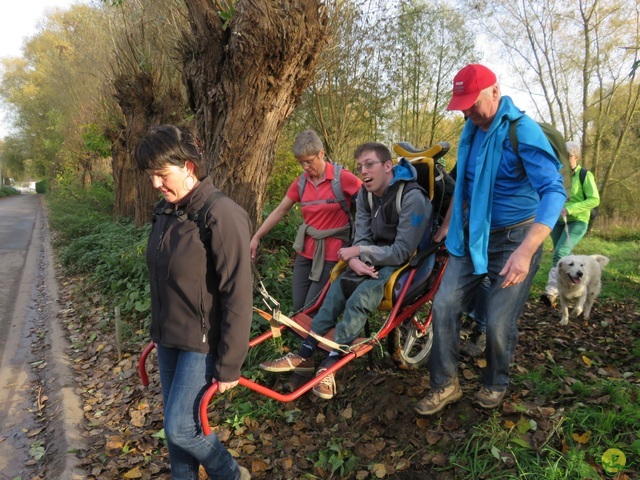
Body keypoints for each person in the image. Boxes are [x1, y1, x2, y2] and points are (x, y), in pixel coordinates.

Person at [414, 64, 566, 415]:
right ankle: (445, 384)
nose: (466, 111)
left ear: (495, 92)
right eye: (461, 104)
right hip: (472, 235)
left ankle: (496, 381)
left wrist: (527, 251)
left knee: (498, 321)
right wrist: (447, 227)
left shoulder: (523, 132)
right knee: (444, 306)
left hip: (516, 239)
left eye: (472, 102)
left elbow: (554, 192)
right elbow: (464, 188)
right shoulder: (472, 129)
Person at [259, 142, 430, 400]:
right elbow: (361, 235)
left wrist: (360, 253)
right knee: (337, 288)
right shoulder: (365, 195)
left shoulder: (412, 198)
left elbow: (401, 251)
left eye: (369, 164)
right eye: (359, 166)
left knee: (361, 297)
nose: (363, 171)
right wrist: (354, 260)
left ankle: (331, 364)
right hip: (371, 253)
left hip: (403, 259)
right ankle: (305, 353)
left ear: (387, 166)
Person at [134, 125, 252, 480]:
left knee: (182, 428)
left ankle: (231, 474)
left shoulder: (221, 214)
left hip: (202, 344)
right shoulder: (167, 212)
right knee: (175, 433)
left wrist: (230, 361)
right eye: (151, 176)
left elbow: (238, 291)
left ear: (188, 167)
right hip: (169, 338)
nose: (155, 184)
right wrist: (157, 331)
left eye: (161, 175)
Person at [250, 130, 361, 314]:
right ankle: (305, 341)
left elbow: (371, 203)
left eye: (309, 161)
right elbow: (280, 210)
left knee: (311, 310)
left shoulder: (342, 178)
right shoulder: (301, 183)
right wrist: (256, 237)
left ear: (321, 154)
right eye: (301, 162)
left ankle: (315, 342)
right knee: (298, 309)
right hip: (305, 253)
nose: (305, 167)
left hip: (334, 255)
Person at [540, 141, 600, 307]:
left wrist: (571, 208)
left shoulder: (585, 175)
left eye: (569, 157)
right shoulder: (556, 173)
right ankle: (574, 289)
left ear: (577, 157)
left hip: (578, 220)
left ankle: (552, 290)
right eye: (562, 157)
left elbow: (594, 199)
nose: (566, 160)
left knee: (560, 253)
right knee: (567, 259)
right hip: (557, 221)